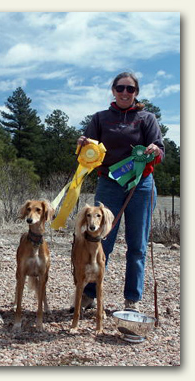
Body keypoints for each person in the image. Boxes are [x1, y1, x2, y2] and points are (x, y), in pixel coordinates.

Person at [76, 71, 164, 312]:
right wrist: (83, 142)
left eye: (130, 89)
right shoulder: (100, 118)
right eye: (121, 88)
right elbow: (88, 147)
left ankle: (132, 301)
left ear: (136, 93)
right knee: (100, 241)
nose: (125, 93)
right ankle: (89, 294)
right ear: (113, 90)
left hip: (141, 185)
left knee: (137, 246)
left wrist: (156, 149)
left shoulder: (147, 118)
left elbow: (161, 150)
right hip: (109, 184)